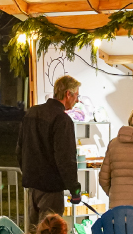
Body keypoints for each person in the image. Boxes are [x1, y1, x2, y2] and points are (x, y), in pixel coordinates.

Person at [17, 75, 84, 220]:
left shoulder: (31, 113)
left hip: (32, 185)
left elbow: (20, 149)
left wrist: (27, 172)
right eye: (76, 95)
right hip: (51, 188)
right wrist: (74, 189)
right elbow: (66, 158)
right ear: (68, 94)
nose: (77, 100)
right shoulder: (62, 119)